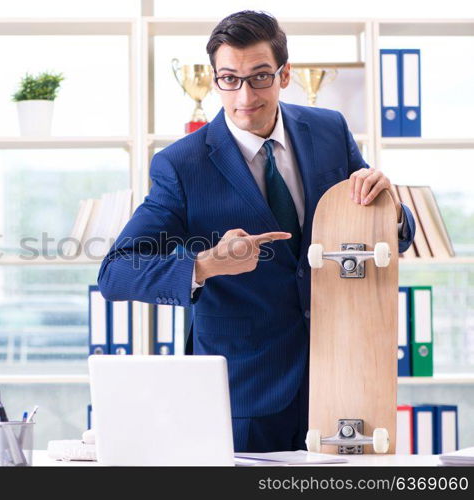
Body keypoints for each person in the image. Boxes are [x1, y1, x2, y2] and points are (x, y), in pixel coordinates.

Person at [97, 10, 415, 452]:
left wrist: (393, 210)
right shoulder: (182, 165)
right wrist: (206, 265)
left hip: (345, 377)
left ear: (284, 75)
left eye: (260, 77)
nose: (245, 95)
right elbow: (115, 273)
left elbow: (384, 227)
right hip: (245, 393)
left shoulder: (329, 131)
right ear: (213, 80)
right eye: (229, 79)